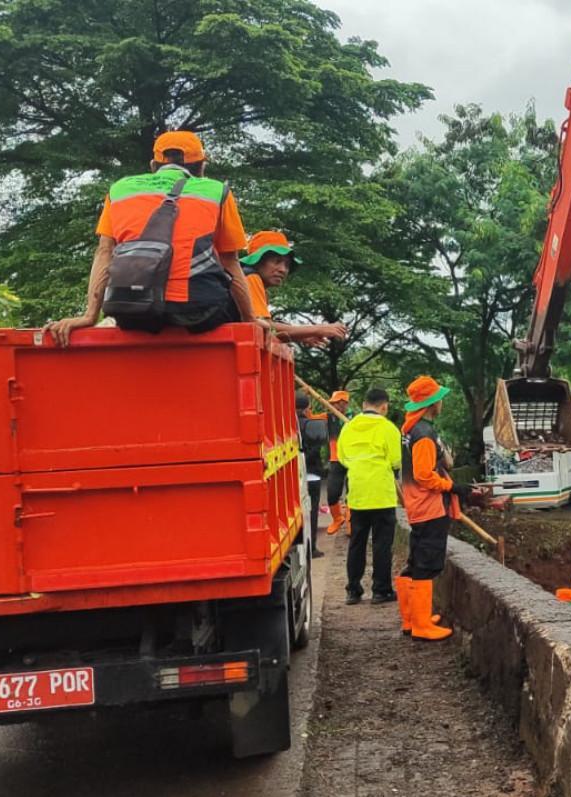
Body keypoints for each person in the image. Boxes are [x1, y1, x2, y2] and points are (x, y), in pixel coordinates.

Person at [45, 131, 254, 345]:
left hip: (131, 309)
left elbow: (104, 252)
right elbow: (230, 262)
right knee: (224, 298)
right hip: (197, 311)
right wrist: (250, 320)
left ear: (153, 165)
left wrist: (90, 316)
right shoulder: (216, 191)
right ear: (201, 167)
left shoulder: (120, 190)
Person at [396, 375, 485, 641]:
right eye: (440, 398)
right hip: (429, 507)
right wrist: (453, 488)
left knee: (415, 563)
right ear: (432, 402)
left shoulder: (409, 429)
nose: (442, 402)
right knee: (426, 564)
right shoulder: (423, 434)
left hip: (416, 505)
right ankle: (421, 625)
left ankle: (411, 619)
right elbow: (424, 475)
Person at [336, 388, 402, 605]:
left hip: (357, 492)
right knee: (382, 544)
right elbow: (396, 461)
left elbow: (343, 458)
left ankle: (353, 590)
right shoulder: (389, 428)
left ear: (364, 404)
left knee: (357, 542)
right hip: (381, 493)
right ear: (384, 406)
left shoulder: (348, 427)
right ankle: (380, 590)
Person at [241, 230, 347, 345]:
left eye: (287, 265)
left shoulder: (249, 281)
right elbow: (263, 326)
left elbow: (265, 332)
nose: (283, 269)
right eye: (277, 262)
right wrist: (318, 329)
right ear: (258, 261)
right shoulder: (251, 278)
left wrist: (301, 335)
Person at [296, 393, 328, 558]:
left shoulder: (284, 425)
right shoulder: (313, 425)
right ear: (307, 408)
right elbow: (317, 450)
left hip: (293, 477)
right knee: (312, 511)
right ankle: (312, 547)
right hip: (311, 475)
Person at [325, 390, 351, 535]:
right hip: (335, 459)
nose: (334, 405)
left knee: (352, 492)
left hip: (352, 459)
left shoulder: (354, 418)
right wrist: (307, 400)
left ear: (344, 403)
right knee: (332, 492)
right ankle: (337, 518)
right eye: (333, 403)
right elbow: (310, 417)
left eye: (336, 403)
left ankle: (350, 522)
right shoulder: (328, 417)